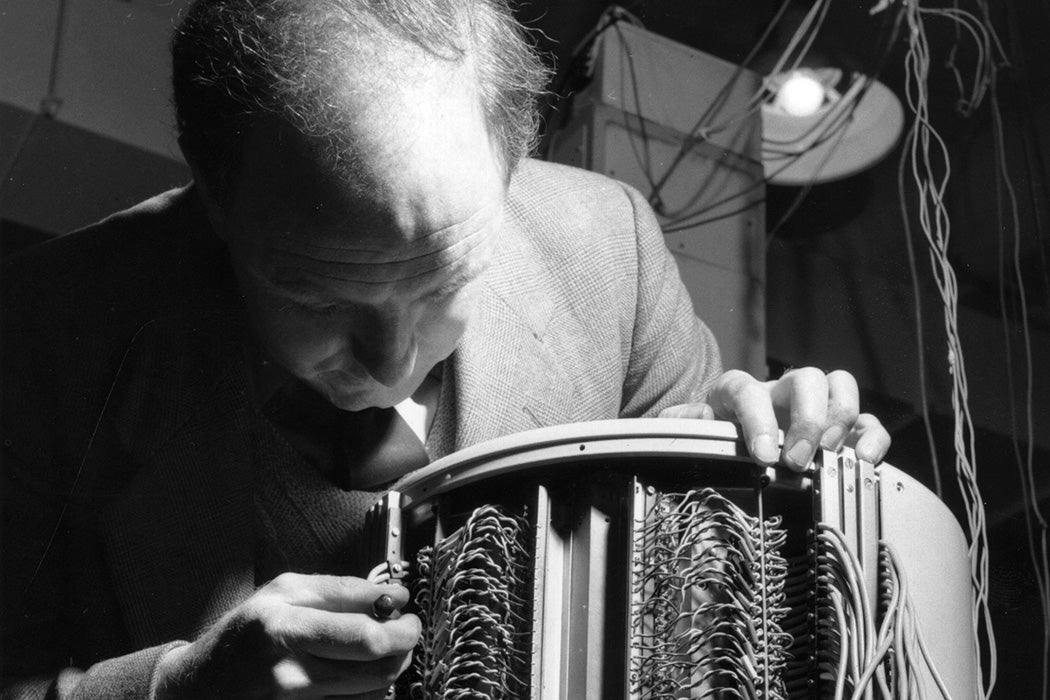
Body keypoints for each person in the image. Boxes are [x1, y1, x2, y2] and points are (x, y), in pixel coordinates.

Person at [0, 0, 890, 697]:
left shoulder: (608, 251)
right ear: (216, 196)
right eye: (317, 294)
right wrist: (175, 693)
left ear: (511, 172)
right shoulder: (47, 333)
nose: (390, 364)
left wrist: (739, 470)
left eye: (440, 286)